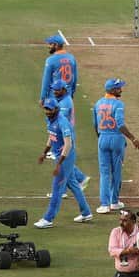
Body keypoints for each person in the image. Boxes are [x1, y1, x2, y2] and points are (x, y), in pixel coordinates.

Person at [34, 98, 92, 229]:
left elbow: (68, 144)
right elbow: (51, 136)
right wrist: (44, 152)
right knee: (73, 184)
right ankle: (86, 212)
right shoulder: (50, 121)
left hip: (66, 158)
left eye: (50, 109)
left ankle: (48, 219)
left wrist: (59, 164)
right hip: (59, 156)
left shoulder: (62, 122)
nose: (47, 111)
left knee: (57, 189)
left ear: (56, 109)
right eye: (46, 109)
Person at [93, 78, 139, 214]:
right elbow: (120, 124)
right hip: (116, 139)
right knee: (116, 171)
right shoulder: (118, 104)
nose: (121, 90)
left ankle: (104, 204)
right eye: (119, 88)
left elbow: (95, 125)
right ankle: (114, 202)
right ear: (113, 90)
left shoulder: (98, 103)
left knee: (104, 173)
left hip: (102, 138)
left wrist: (101, 138)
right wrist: (133, 138)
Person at [47, 79, 90, 199]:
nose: (54, 92)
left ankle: (80, 178)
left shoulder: (65, 103)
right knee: (64, 163)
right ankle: (70, 185)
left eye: (57, 89)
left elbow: (61, 121)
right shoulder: (62, 99)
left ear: (64, 89)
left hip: (65, 136)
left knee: (63, 162)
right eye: (54, 89)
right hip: (61, 135)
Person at [39, 34, 77, 106]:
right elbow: (74, 78)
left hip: (54, 97)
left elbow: (46, 81)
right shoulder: (72, 58)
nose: (48, 46)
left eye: (50, 44)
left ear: (56, 45)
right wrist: (72, 93)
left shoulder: (51, 60)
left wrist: (42, 98)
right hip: (67, 96)